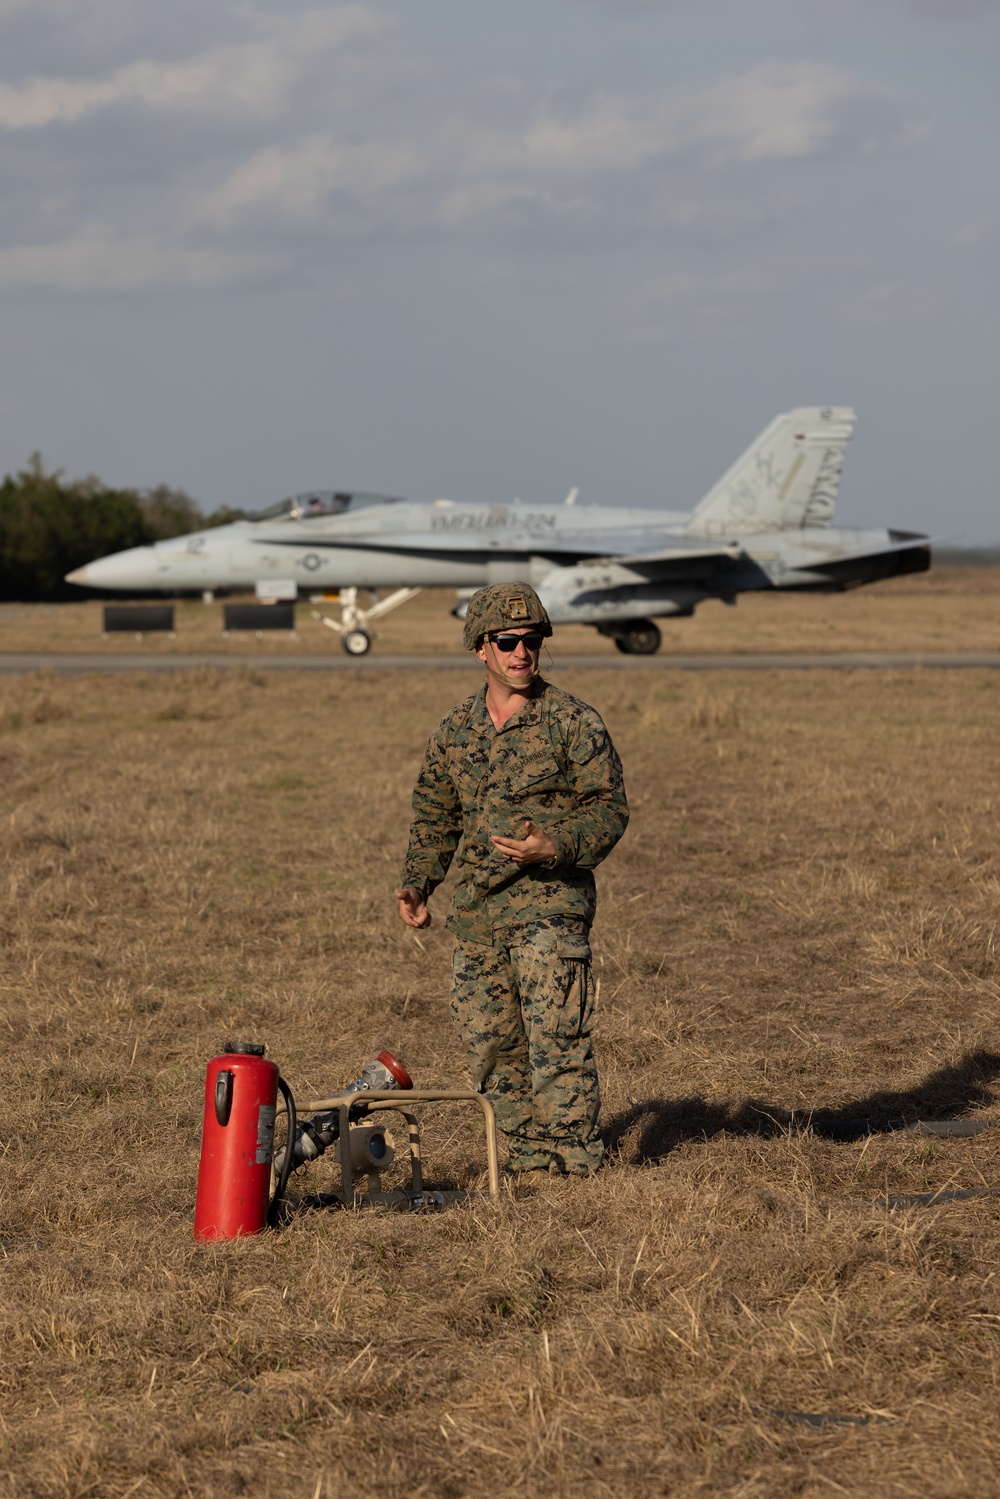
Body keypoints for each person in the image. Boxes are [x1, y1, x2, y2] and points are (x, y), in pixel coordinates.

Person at [396, 582, 628, 1178]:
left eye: (532, 641)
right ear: (481, 648)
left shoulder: (573, 722)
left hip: (551, 906)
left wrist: (557, 846)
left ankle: (573, 1164)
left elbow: (609, 809)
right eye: (508, 642)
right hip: (477, 914)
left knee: (557, 1037)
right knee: (491, 1043)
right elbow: (435, 816)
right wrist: (419, 883)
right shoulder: (456, 730)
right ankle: (523, 1161)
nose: (522, 653)